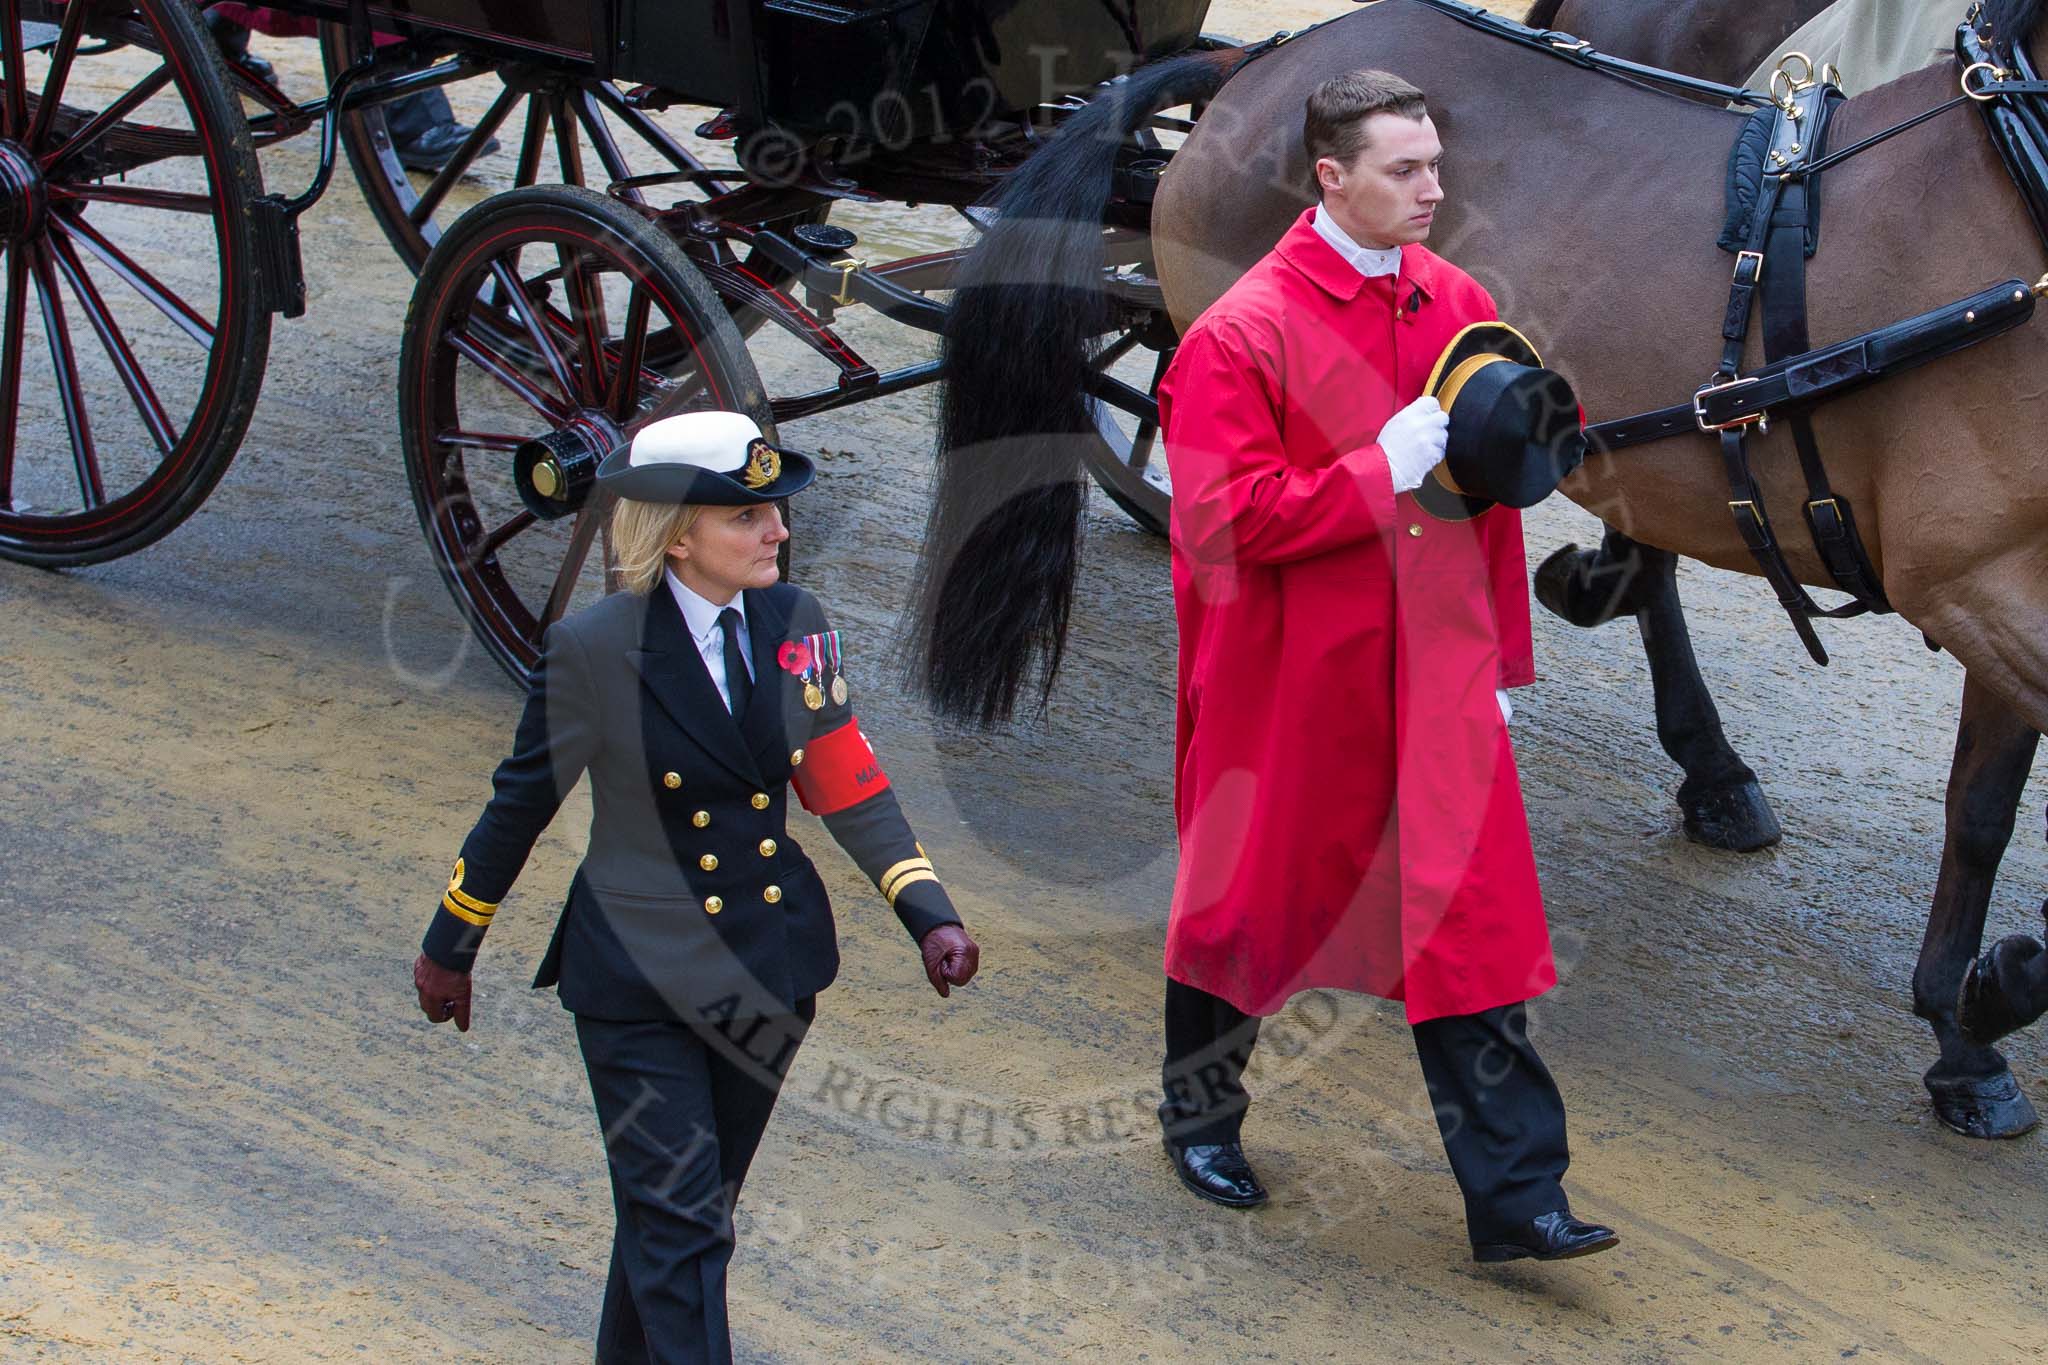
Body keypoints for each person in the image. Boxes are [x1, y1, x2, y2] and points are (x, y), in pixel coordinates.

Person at [1152, 69, 1616, 1264]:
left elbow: (1491, 501)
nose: (1431, 188)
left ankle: (1518, 1200)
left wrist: (1499, 670)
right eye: (1403, 169)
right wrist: (1377, 466)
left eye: (1433, 164)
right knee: (1248, 902)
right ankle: (1197, 1113)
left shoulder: (1453, 299)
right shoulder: (1236, 335)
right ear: (1330, 178)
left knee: (1469, 924)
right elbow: (1217, 524)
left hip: (1437, 676)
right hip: (1291, 682)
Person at [411, 410, 981, 1362]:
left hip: (767, 969)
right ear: (677, 533)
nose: (777, 532)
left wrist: (928, 911)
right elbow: (520, 807)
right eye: (747, 517)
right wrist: (449, 944)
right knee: (681, 1224)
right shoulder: (592, 649)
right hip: (637, 980)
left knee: (681, 1214)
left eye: (775, 512)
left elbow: (844, 776)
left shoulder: (796, 623)